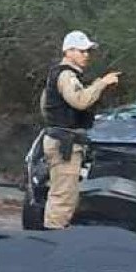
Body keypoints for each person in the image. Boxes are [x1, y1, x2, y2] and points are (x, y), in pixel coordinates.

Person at [39, 29, 120, 229]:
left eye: (88, 52)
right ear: (69, 51)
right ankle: (54, 241)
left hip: (59, 139)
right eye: (82, 51)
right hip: (65, 143)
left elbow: (44, 106)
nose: (87, 56)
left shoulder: (58, 74)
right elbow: (80, 101)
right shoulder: (67, 76)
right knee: (63, 197)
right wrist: (102, 83)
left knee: (62, 193)